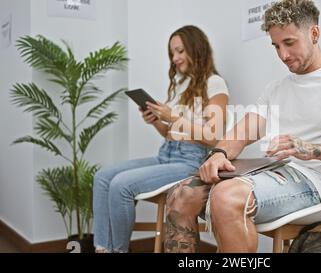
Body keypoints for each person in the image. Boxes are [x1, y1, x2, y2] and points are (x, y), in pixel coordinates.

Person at [163, 0, 321, 253]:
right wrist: (218, 154)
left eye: (289, 43)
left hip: (318, 182)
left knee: (226, 197)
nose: (283, 55)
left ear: (314, 33)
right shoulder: (277, 88)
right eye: (276, 46)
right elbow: (243, 132)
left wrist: (312, 150)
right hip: (275, 172)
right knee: (181, 195)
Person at [93, 25, 229, 253]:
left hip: (190, 161)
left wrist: (173, 116)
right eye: (172, 53)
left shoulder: (214, 83)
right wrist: (156, 120)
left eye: (180, 51)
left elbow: (213, 137)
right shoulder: (179, 85)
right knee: (103, 178)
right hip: (167, 153)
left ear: (196, 49)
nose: (175, 58)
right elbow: (170, 134)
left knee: (120, 185)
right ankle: (102, 249)